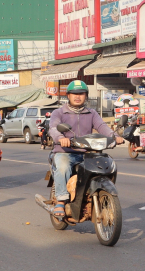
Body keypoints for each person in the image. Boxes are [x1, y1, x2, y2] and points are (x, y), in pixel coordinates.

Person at [47, 80, 123, 218]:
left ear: (86, 96)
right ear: (68, 96)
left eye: (81, 93)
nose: (78, 96)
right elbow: (53, 128)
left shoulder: (91, 113)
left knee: (106, 163)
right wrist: (60, 138)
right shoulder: (59, 112)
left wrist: (114, 136)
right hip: (65, 152)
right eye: (74, 94)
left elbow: (102, 127)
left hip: (87, 153)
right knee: (63, 166)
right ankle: (61, 200)